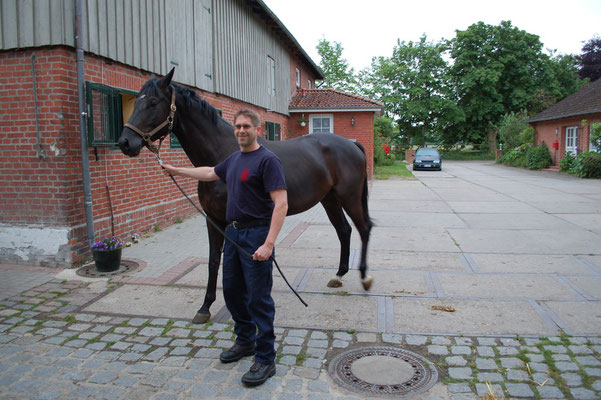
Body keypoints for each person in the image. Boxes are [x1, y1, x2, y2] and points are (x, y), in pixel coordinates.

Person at [161, 109, 288, 387]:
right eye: (237, 126)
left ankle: (266, 358)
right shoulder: (234, 159)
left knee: (259, 299)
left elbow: (281, 204)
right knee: (232, 292)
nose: (241, 130)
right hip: (232, 234)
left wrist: (268, 243)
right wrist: (175, 170)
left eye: (246, 126)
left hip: (257, 235)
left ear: (257, 129)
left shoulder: (268, 160)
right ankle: (245, 342)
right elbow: (208, 172)